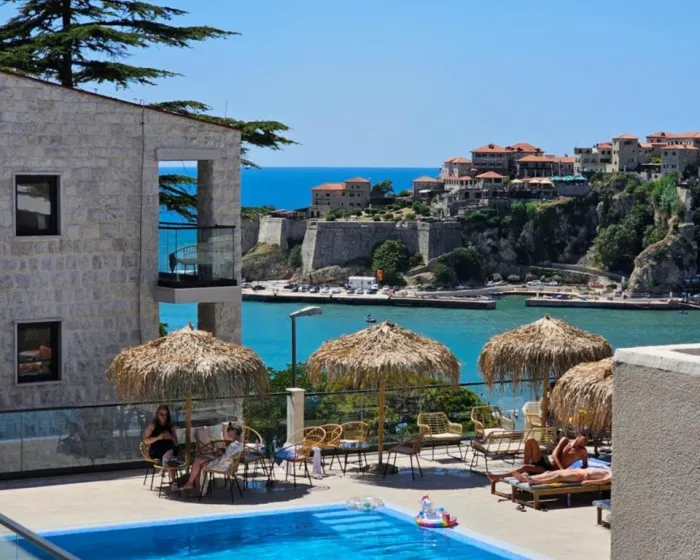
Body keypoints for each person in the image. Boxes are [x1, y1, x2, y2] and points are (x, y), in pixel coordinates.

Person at [487, 435, 588, 483]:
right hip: (546, 460)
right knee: (531, 440)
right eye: (585, 439)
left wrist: (575, 470)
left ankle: (497, 476)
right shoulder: (565, 440)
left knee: (524, 467)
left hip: (548, 469)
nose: (586, 442)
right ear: (578, 436)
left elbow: (585, 465)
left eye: (587, 440)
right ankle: (525, 470)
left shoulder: (583, 451)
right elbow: (554, 455)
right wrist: (562, 469)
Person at [178, 422, 244, 492]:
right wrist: (222, 453)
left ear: (234, 430)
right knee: (199, 461)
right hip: (227, 465)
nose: (227, 433)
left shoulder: (234, 445)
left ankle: (192, 485)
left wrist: (218, 457)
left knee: (198, 462)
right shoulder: (240, 444)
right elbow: (230, 456)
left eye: (228, 431)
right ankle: (196, 486)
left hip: (223, 466)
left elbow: (226, 460)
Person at [143, 405, 179, 483]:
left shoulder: (170, 425)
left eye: (166, 415)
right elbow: (145, 441)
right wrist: (158, 438)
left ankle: (164, 467)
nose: (164, 417)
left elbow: (176, 442)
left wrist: (170, 437)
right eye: (161, 414)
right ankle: (173, 481)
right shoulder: (153, 425)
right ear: (157, 414)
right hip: (156, 450)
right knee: (170, 452)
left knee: (170, 449)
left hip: (169, 448)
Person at [513, 466, 611, 486]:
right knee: (549, 473)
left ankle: (535, 481)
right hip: (578, 470)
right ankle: (525, 479)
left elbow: (604, 481)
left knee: (558, 477)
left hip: (583, 475)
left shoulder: (613, 474)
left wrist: (589, 482)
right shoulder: (608, 469)